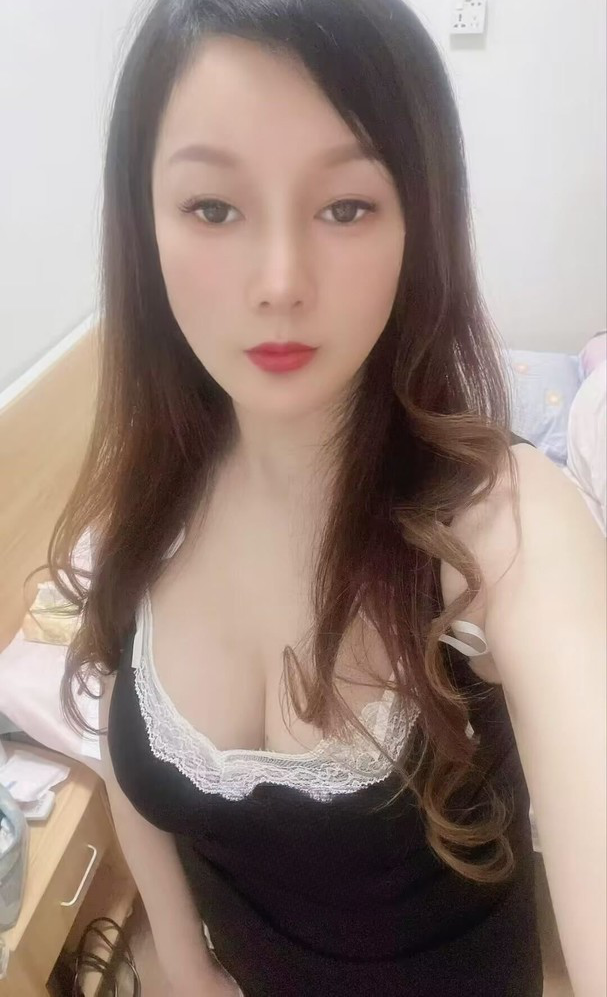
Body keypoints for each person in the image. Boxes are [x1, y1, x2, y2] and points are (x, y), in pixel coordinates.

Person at [49, 1, 606, 994]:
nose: (279, 282)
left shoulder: (503, 525)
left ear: (418, 221)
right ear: (144, 225)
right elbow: (135, 768)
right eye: (212, 207)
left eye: (345, 206)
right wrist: (187, 966)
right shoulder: (146, 500)